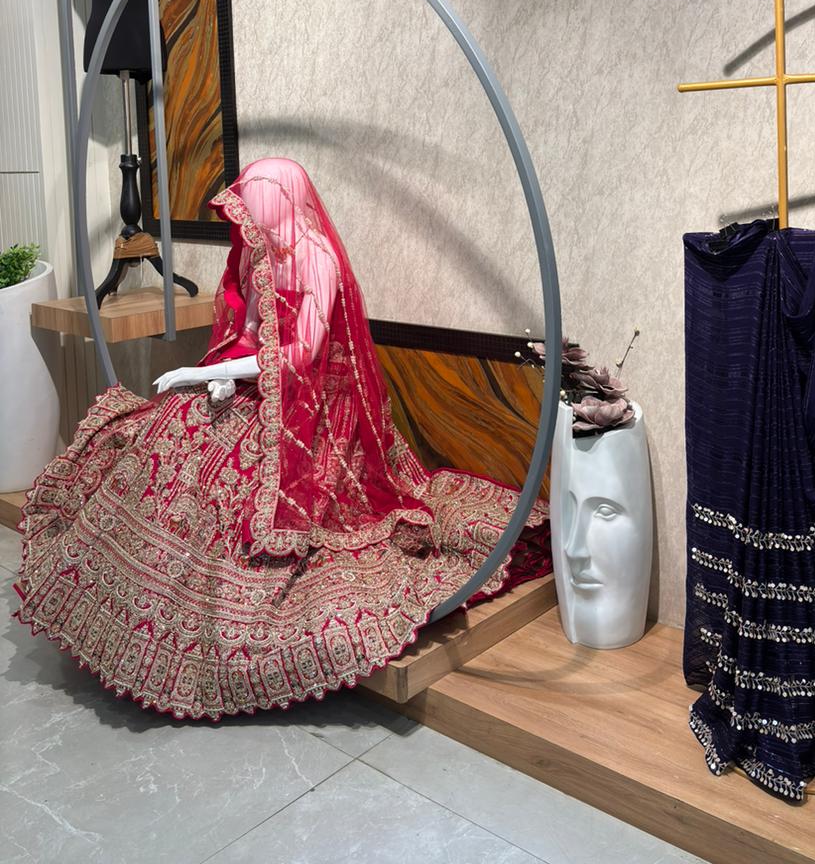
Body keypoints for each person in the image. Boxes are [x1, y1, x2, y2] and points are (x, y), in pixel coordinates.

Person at [16, 158, 549, 719]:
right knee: (175, 424)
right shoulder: (259, 253)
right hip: (265, 381)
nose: (247, 210)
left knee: (228, 464)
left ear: (281, 196)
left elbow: (306, 354)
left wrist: (210, 372)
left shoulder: (316, 258)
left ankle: (221, 597)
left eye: (256, 197)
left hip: (317, 397)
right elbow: (251, 332)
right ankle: (134, 591)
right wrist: (220, 374)